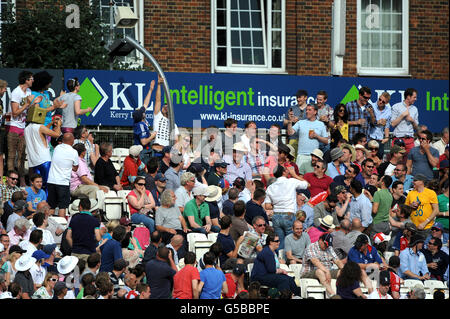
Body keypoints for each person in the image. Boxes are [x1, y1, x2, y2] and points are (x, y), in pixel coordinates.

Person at [264, 164, 309, 249]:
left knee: (279, 241)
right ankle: (290, 260)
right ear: (284, 172)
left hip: (276, 215)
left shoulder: (270, 187)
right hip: (288, 214)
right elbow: (307, 184)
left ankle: (281, 260)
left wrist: (278, 206)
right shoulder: (291, 181)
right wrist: (294, 174)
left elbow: (267, 206)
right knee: (290, 241)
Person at [8, 71, 34, 186]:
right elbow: (14, 113)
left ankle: (22, 181)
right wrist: (27, 104)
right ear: (26, 80)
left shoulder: (28, 91)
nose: (33, 80)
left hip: (23, 127)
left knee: (22, 156)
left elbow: (27, 109)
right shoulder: (16, 92)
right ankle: (9, 181)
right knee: (12, 156)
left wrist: (33, 103)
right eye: (31, 79)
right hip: (14, 127)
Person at [24, 115, 61, 193]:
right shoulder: (40, 127)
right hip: (44, 160)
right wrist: (58, 125)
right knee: (47, 184)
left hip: (34, 162)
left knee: (36, 185)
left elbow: (42, 131)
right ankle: (47, 202)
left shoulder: (26, 128)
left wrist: (51, 123)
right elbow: (57, 134)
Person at [46, 133, 78, 218]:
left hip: (51, 181)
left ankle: (46, 223)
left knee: (51, 206)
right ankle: (62, 228)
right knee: (62, 207)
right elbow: (75, 168)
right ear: (72, 141)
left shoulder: (57, 148)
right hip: (63, 183)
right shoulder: (74, 152)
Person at [287, 104, 329, 169]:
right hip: (301, 155)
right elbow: (290, 133)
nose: (307, 111)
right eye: (306, 110)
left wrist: (317, 136)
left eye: (309, 110)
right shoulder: (300, 122)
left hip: (314, 157)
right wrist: (290, 121)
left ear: (315, 112)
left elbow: (326, 141)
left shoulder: (320, 124)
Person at [65, 197, 102, 262]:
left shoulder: (74, 219)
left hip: (75, 252)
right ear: (90, 207)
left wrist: (74, 247)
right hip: (89, 253)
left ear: (80, 207)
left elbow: (68, 237)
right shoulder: (95, 221)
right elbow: (98, 238)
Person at [405, 173, 439, 238]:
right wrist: (410, 206)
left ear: (421, 182)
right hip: (413, 227)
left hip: (426, 227)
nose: (413, 182)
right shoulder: (410, 193)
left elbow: (436, 210)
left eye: (415, 180)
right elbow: (405, 209)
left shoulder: (431, 193)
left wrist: (425, 223)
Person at [132, 79, 157, 164]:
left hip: (146, 151)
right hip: (143, 153)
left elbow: (145, 104)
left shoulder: (140, 119)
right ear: (142, 115)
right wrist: (152, 136)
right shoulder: (140, 125)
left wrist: (150, 89)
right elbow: (144, 142)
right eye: (142, 112)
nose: (144, 111)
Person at [152, 75, 179, 153]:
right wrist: (159, 85)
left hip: (167, 152)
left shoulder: (174, 125)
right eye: (164, 106)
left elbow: (177, 140)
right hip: (156, 149)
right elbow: (158, 100)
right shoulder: (158, 117)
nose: (164, 107)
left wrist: (174, 152)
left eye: (167, 107)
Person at [391, 88, 420, 154]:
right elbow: (392, 124)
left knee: (410, 162)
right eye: (414, 97)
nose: (416, 99)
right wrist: (402, 116)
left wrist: (412, 120)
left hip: (410, 140)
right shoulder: (396, 107)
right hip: (398, 139)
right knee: (396, 161)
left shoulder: (415, 109)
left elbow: (417, 127)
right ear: (408, 97)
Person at [284, 89, 308, 155]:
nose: (298, 99)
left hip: (305, 139)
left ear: (305, 97)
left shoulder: (309, 109)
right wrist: (290, 121)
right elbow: (285, 122)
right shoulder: (292, 108)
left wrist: (300, 121)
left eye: (300, 97)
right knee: (291, 158)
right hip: (293, 138)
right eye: (297, 97)